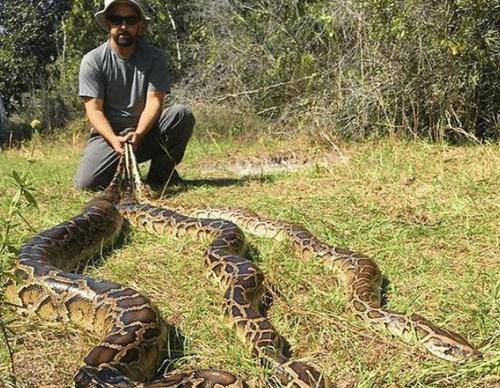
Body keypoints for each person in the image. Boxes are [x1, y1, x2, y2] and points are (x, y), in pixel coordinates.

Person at [74, 0, 194, 190]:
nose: (123, 26)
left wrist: (138, 134)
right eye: (116, 19)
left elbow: (154, 102)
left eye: (130, 20)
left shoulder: (155, 57)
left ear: (140, 24)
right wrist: (114, 140)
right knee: (86, 184)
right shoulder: (93, 61)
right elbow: (94, 110)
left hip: (145, 132)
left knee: (181, 115)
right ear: (108, 23)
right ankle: (122, 173)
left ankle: (161, 176)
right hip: (109, 135)